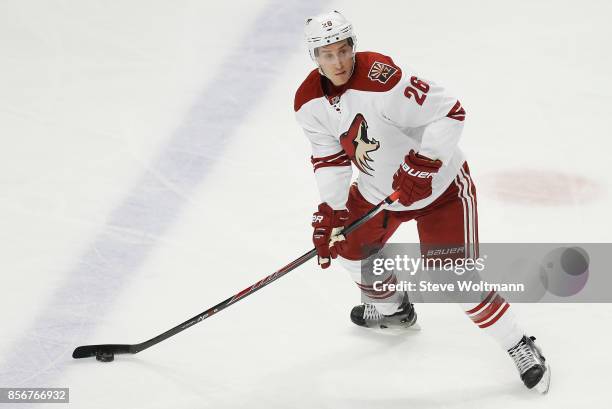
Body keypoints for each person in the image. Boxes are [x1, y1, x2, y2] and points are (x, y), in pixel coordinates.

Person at [294, 11, 550, 393]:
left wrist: (424, 164)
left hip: (440, 189)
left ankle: (518, 343)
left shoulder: (385, 79)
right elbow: (330, 158)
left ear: (353, 46)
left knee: (453, 275)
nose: (339, 62)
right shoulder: (307, 101)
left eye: (344, 50)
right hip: (377, 191)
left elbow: (451, 110)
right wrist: (333, 211)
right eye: (327, 55)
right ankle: (394, 310)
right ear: (313, 56)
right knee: (349, 250)